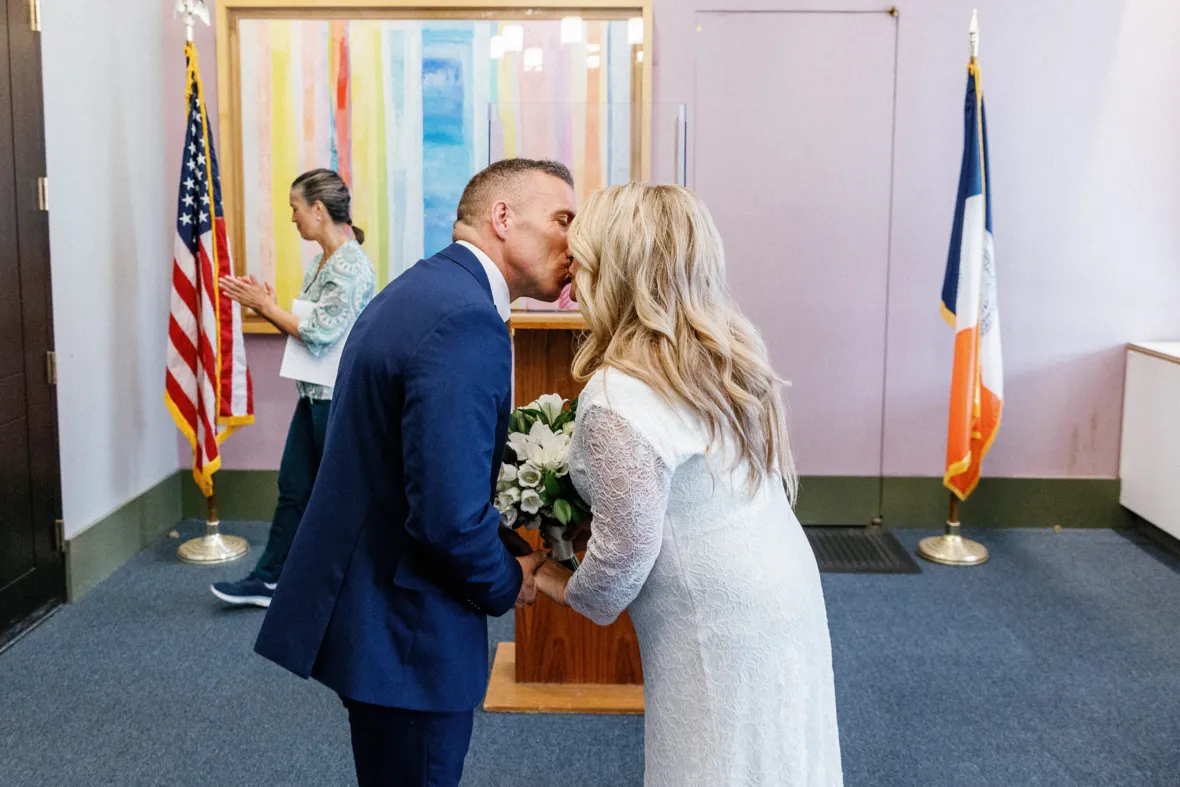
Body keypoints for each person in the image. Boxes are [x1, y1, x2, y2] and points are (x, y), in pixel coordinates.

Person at [253, 158, 576, 786]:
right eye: (562, 219)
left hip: (377, 612)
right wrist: (508, 581)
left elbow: (414, 471)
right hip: (407, 635)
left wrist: (509, 548)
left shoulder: (424, 289)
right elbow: (446, 520)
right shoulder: (465, 319)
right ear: (502, 218)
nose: (573, 242)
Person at [534, 183, 844, 786]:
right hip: (779, 587)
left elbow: (621, 563)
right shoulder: (719, 352)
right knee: (779, 755)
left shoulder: (618, 393)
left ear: (614, 269)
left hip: (716, 619)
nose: (572, 263)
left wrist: (549, 578)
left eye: (583, 252)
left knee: (712, 763)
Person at [210, 168, 376, 608]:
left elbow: (319, 333)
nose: (292, 218)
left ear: (318, 210)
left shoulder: (351, 266)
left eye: (295, 208)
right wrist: (270, 306)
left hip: (337, 400)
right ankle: (269, 579)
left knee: (335, 497)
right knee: (294, 488)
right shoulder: (324, 260)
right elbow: (309, 322)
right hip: (314, 395)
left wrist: (266, 308)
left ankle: (356, 589)